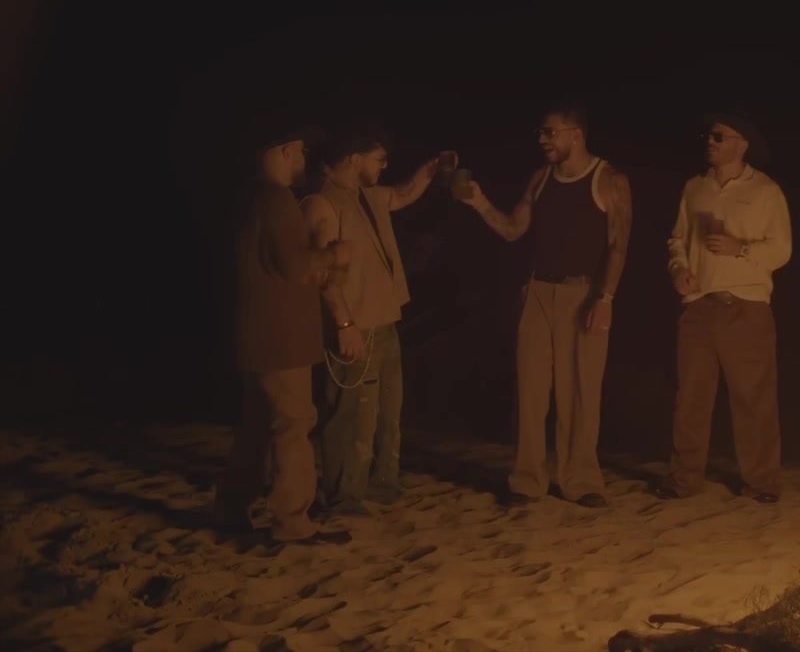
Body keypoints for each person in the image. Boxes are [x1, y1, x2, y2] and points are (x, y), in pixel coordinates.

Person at [460, 103, 632, 508]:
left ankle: (581, 481)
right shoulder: (540, 179)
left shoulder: (610, 180)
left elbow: (618, 246)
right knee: (531, 391)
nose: (542, 139)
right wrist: (479, 202)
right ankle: (527, 481)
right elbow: (513, 230)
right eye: (541, 132)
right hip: (538, 291)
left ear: (577, 135)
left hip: (584, 293)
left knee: (581, 392)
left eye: (549, 132)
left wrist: (605, 298)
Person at [214, 121, 350, 543]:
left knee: (257, 426)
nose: (305, 159)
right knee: (294, 423)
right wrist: (332, 254)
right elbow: (292, 265)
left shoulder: (250, 196)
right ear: (285, 151)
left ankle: (230, 507)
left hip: (257, 336)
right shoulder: (276, 199)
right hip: (281, 338)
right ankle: (292, 520)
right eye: (301, 151)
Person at [301, 123, 443, 513]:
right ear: (353, 159)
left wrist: (429, 171)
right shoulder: (322, 204)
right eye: (378, 159)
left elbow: (403, 194)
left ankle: (381, 484)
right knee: (350, 415)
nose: (384, 165)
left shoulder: (366, 196)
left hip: (383, 321)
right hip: (355, 325)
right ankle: (343, 495)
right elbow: (322, 274)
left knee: (385, 412)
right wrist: (344, 324)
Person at [657, 110, 792, 503]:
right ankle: (684, 479)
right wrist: (679, 270)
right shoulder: (695, 188)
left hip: (745, 305)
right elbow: (677, 239)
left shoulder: (765, 191)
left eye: (719, 136)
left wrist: (741, 248)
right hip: (699, 305)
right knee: (691, 398)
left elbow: (782, 250)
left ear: (741, 145)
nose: (710, 142)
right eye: (709, 136)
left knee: (753, 398)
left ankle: (762, 482)